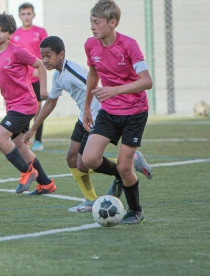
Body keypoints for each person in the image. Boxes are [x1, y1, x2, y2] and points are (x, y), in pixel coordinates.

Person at [23, 35, 153, 213]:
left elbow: (93, 85)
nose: (45, 60)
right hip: (83, 116)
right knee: (71, 158)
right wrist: (32, 130)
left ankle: (128, 165)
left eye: (48, 56)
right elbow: (50, 103)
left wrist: (92, 110)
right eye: (43, 56)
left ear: (61, 55)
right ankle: (91, 199)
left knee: (83, 163)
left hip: (96, 115)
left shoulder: (72, 70)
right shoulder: (58, 77)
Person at [0, 13, 56, 195]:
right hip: (12, 106)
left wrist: (44, 91)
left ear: (10, 34)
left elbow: (40, 65)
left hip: (26, 104)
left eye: (2, 30)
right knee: (20, 146)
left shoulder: (17, 51)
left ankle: (27, 172)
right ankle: (46, 183)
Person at [81, 0, 153, 225]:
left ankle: (136, 210)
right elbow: (93, 74)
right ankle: (123, 174)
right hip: (109, 112)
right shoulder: (90, 45)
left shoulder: (129, 45)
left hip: (135, 112)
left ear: (112, 23)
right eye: (91, 21)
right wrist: (87, 108)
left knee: (124, 166)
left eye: (97, 22)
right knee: (89, 159)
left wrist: (114, 91)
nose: (93, 27)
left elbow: (146, 81)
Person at [14, 2, 48, 152]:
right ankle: (24, 138)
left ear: (33, 15)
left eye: (29, 13)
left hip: (35, 77)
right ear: (19, 16)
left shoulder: (40, 32)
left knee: (37, 109)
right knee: (23, 108)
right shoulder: (15, 34)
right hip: (21, 79)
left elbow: (47, 53)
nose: (26, 16)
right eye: (23, 14)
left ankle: (38, 140)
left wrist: (40, 68)